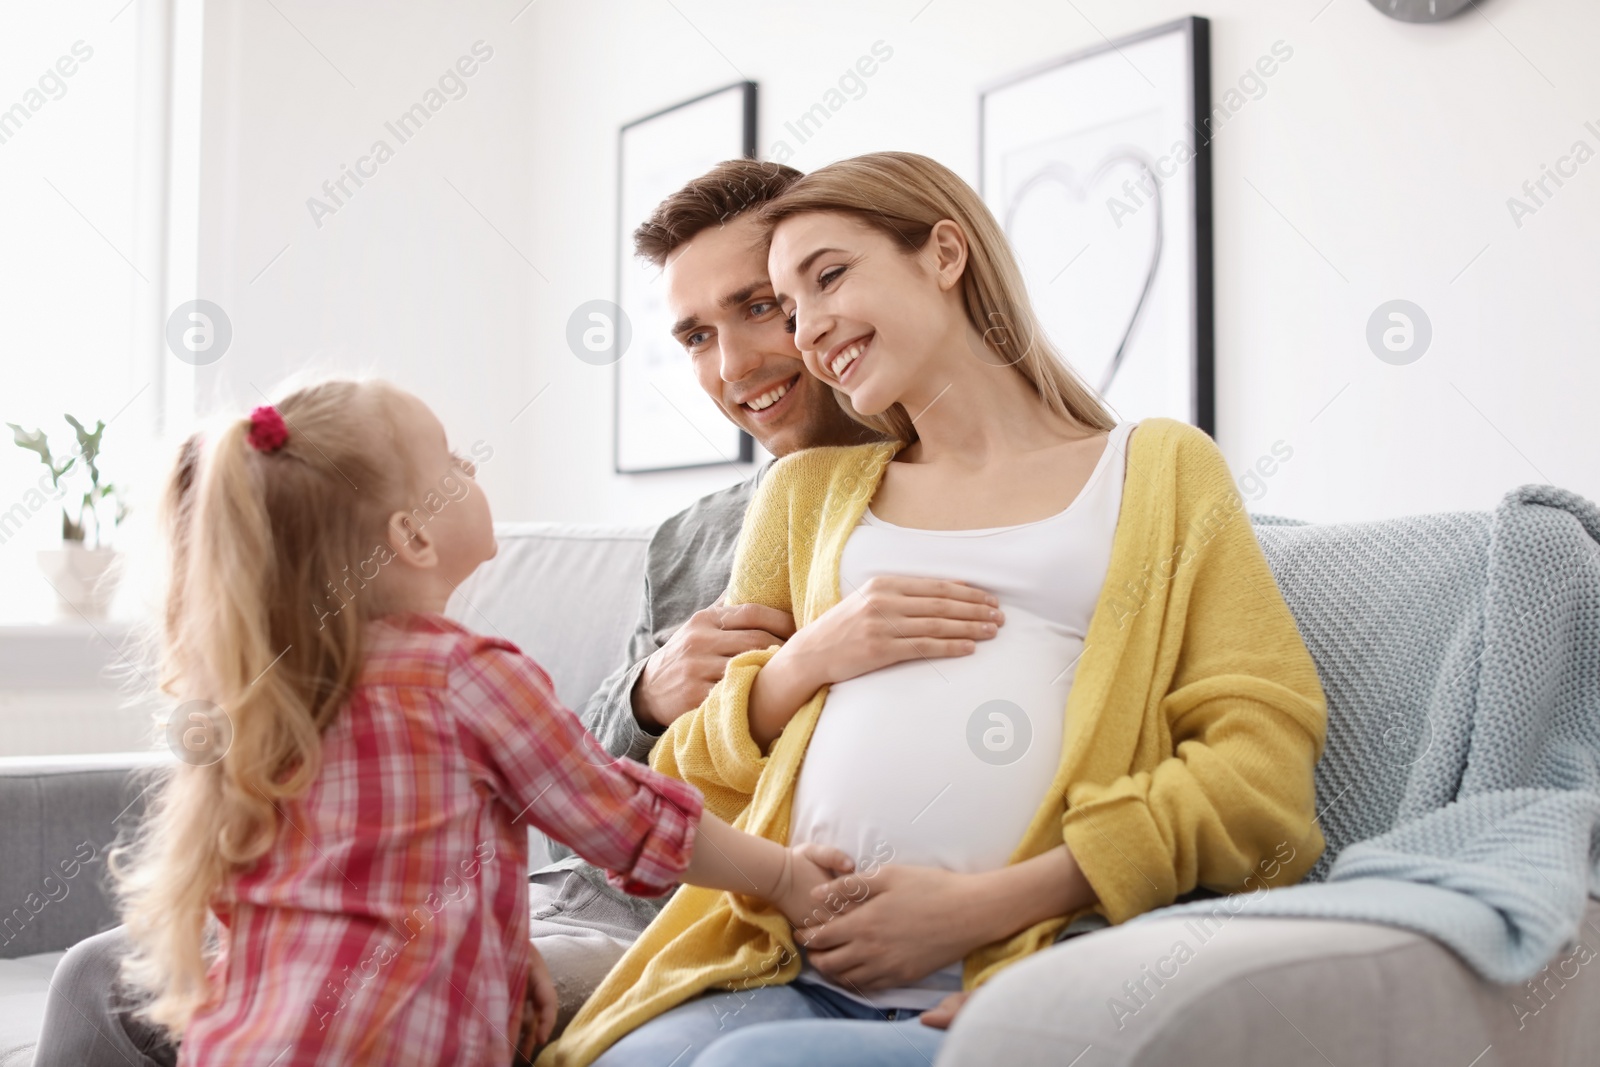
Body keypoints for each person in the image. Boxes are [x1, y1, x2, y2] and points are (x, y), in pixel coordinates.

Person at [32, 158, 999, 1064]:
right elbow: (559, 769)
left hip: (698, 910)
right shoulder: (691, 539)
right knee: (96, 972)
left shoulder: (940, 505)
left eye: (761, 308)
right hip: (557, 891)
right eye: (698, 335)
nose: (736, 361)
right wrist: (648, 695)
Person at [542, 152, 1330, 1067]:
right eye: (788, 308)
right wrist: (799, 665)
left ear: (945, 253)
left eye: (809, 288)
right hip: (783, 953)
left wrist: (990, 909)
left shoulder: (1156, 472)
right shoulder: (801, 497)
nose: (795, 338)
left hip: (1015, 956)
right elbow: (681, 782)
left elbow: (1260, 770)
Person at [103, 379, 857, 1065]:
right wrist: (784, 875)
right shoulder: (466, 677)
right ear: (415, 536)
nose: (472, 473)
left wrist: (499, 949)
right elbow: (626, 820)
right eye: (455, 465)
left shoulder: (278, 690)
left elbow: (352, 891)